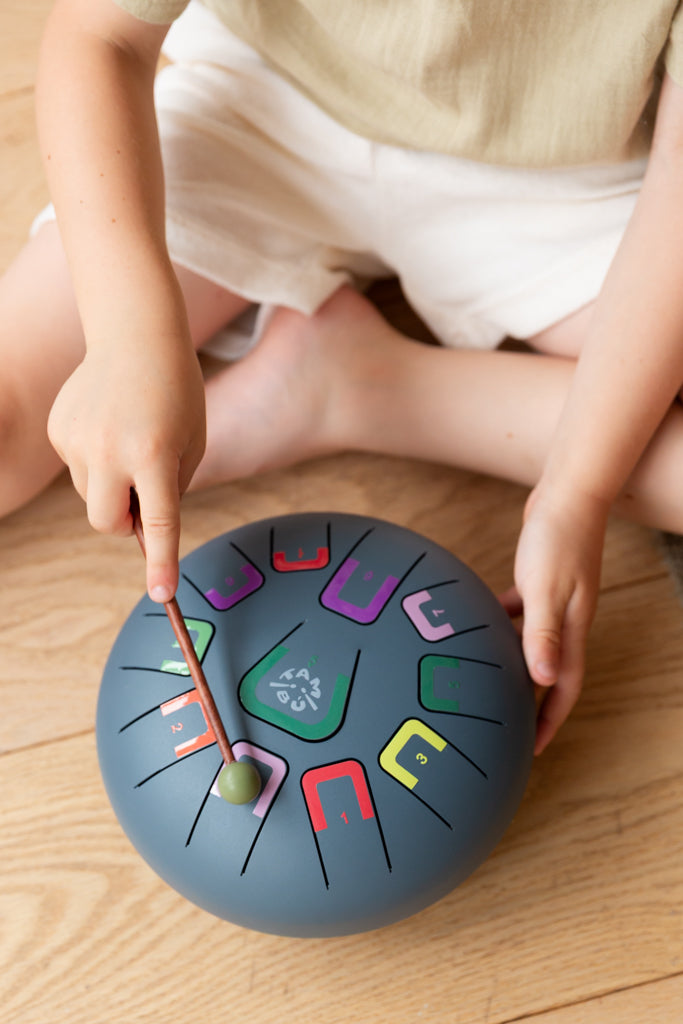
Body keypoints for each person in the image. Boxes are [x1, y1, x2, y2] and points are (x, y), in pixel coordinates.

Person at [2, 0, 683, 754]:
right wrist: (128, 337)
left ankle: (364, 388)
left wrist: (574, 494)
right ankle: (346, 382)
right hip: (271, 105)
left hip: (564, 183)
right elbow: (99, 33)